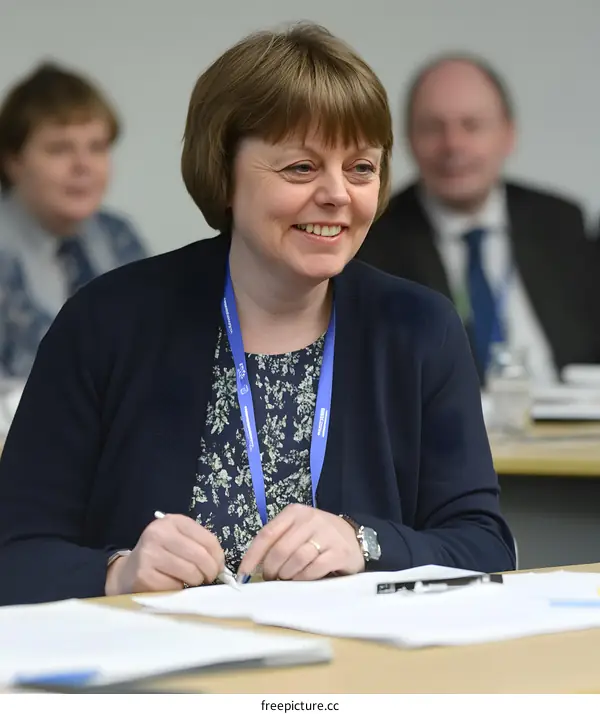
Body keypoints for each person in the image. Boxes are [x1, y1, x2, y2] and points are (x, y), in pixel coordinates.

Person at [0, 24, 515, 607]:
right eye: (300, 168)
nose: (338, 194)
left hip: (357, 677)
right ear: (224, 173)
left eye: (361, 168)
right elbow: (15, 554)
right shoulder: (105, 322)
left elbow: (486, 549)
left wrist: (364, 543)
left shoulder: (420, 327)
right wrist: (119, 572)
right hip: (159, 680)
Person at [356, 53, 600, 385]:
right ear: (408, 141)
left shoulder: (560, 223)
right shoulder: (373, 237)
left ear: (508, 135)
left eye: (472, 125)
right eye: (432, 128)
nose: (453, 145)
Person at [0, 62, 147, 379]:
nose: (83, 166)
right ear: (13, 160)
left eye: (96, 147)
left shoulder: (118, 236)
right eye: (59, 149)